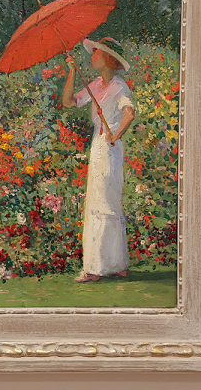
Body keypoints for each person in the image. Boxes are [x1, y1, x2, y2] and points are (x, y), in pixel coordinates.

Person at [62, 37, 135, 283]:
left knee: (107, 202)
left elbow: (129, 112)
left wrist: (116, 134)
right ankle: (110, 265)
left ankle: (102, 267)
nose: (92, 57)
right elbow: (68, 102)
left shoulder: (118, 86)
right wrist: (72, 72)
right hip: (98, 145)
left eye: (96, 54)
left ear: (107, 58)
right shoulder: (94, 85)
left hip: (110, 147)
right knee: (97, 201)